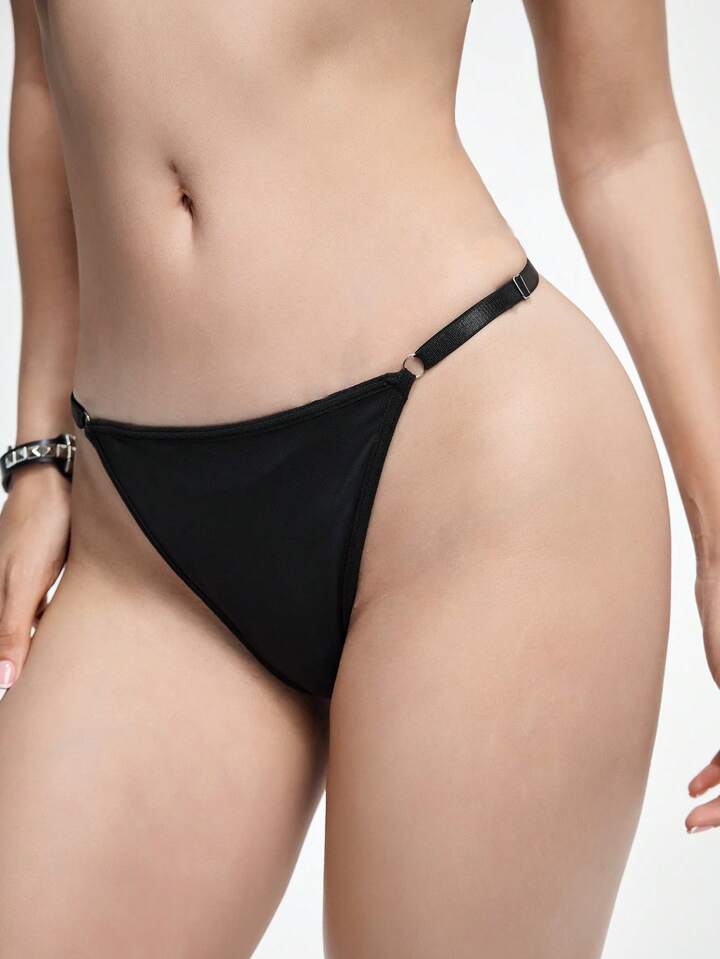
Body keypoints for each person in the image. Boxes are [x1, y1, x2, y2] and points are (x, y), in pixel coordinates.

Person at [0, 0, 717, 956]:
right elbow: (43, 76)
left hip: (470, 470)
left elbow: (625, 144)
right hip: (143, 541)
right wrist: (38, 451)